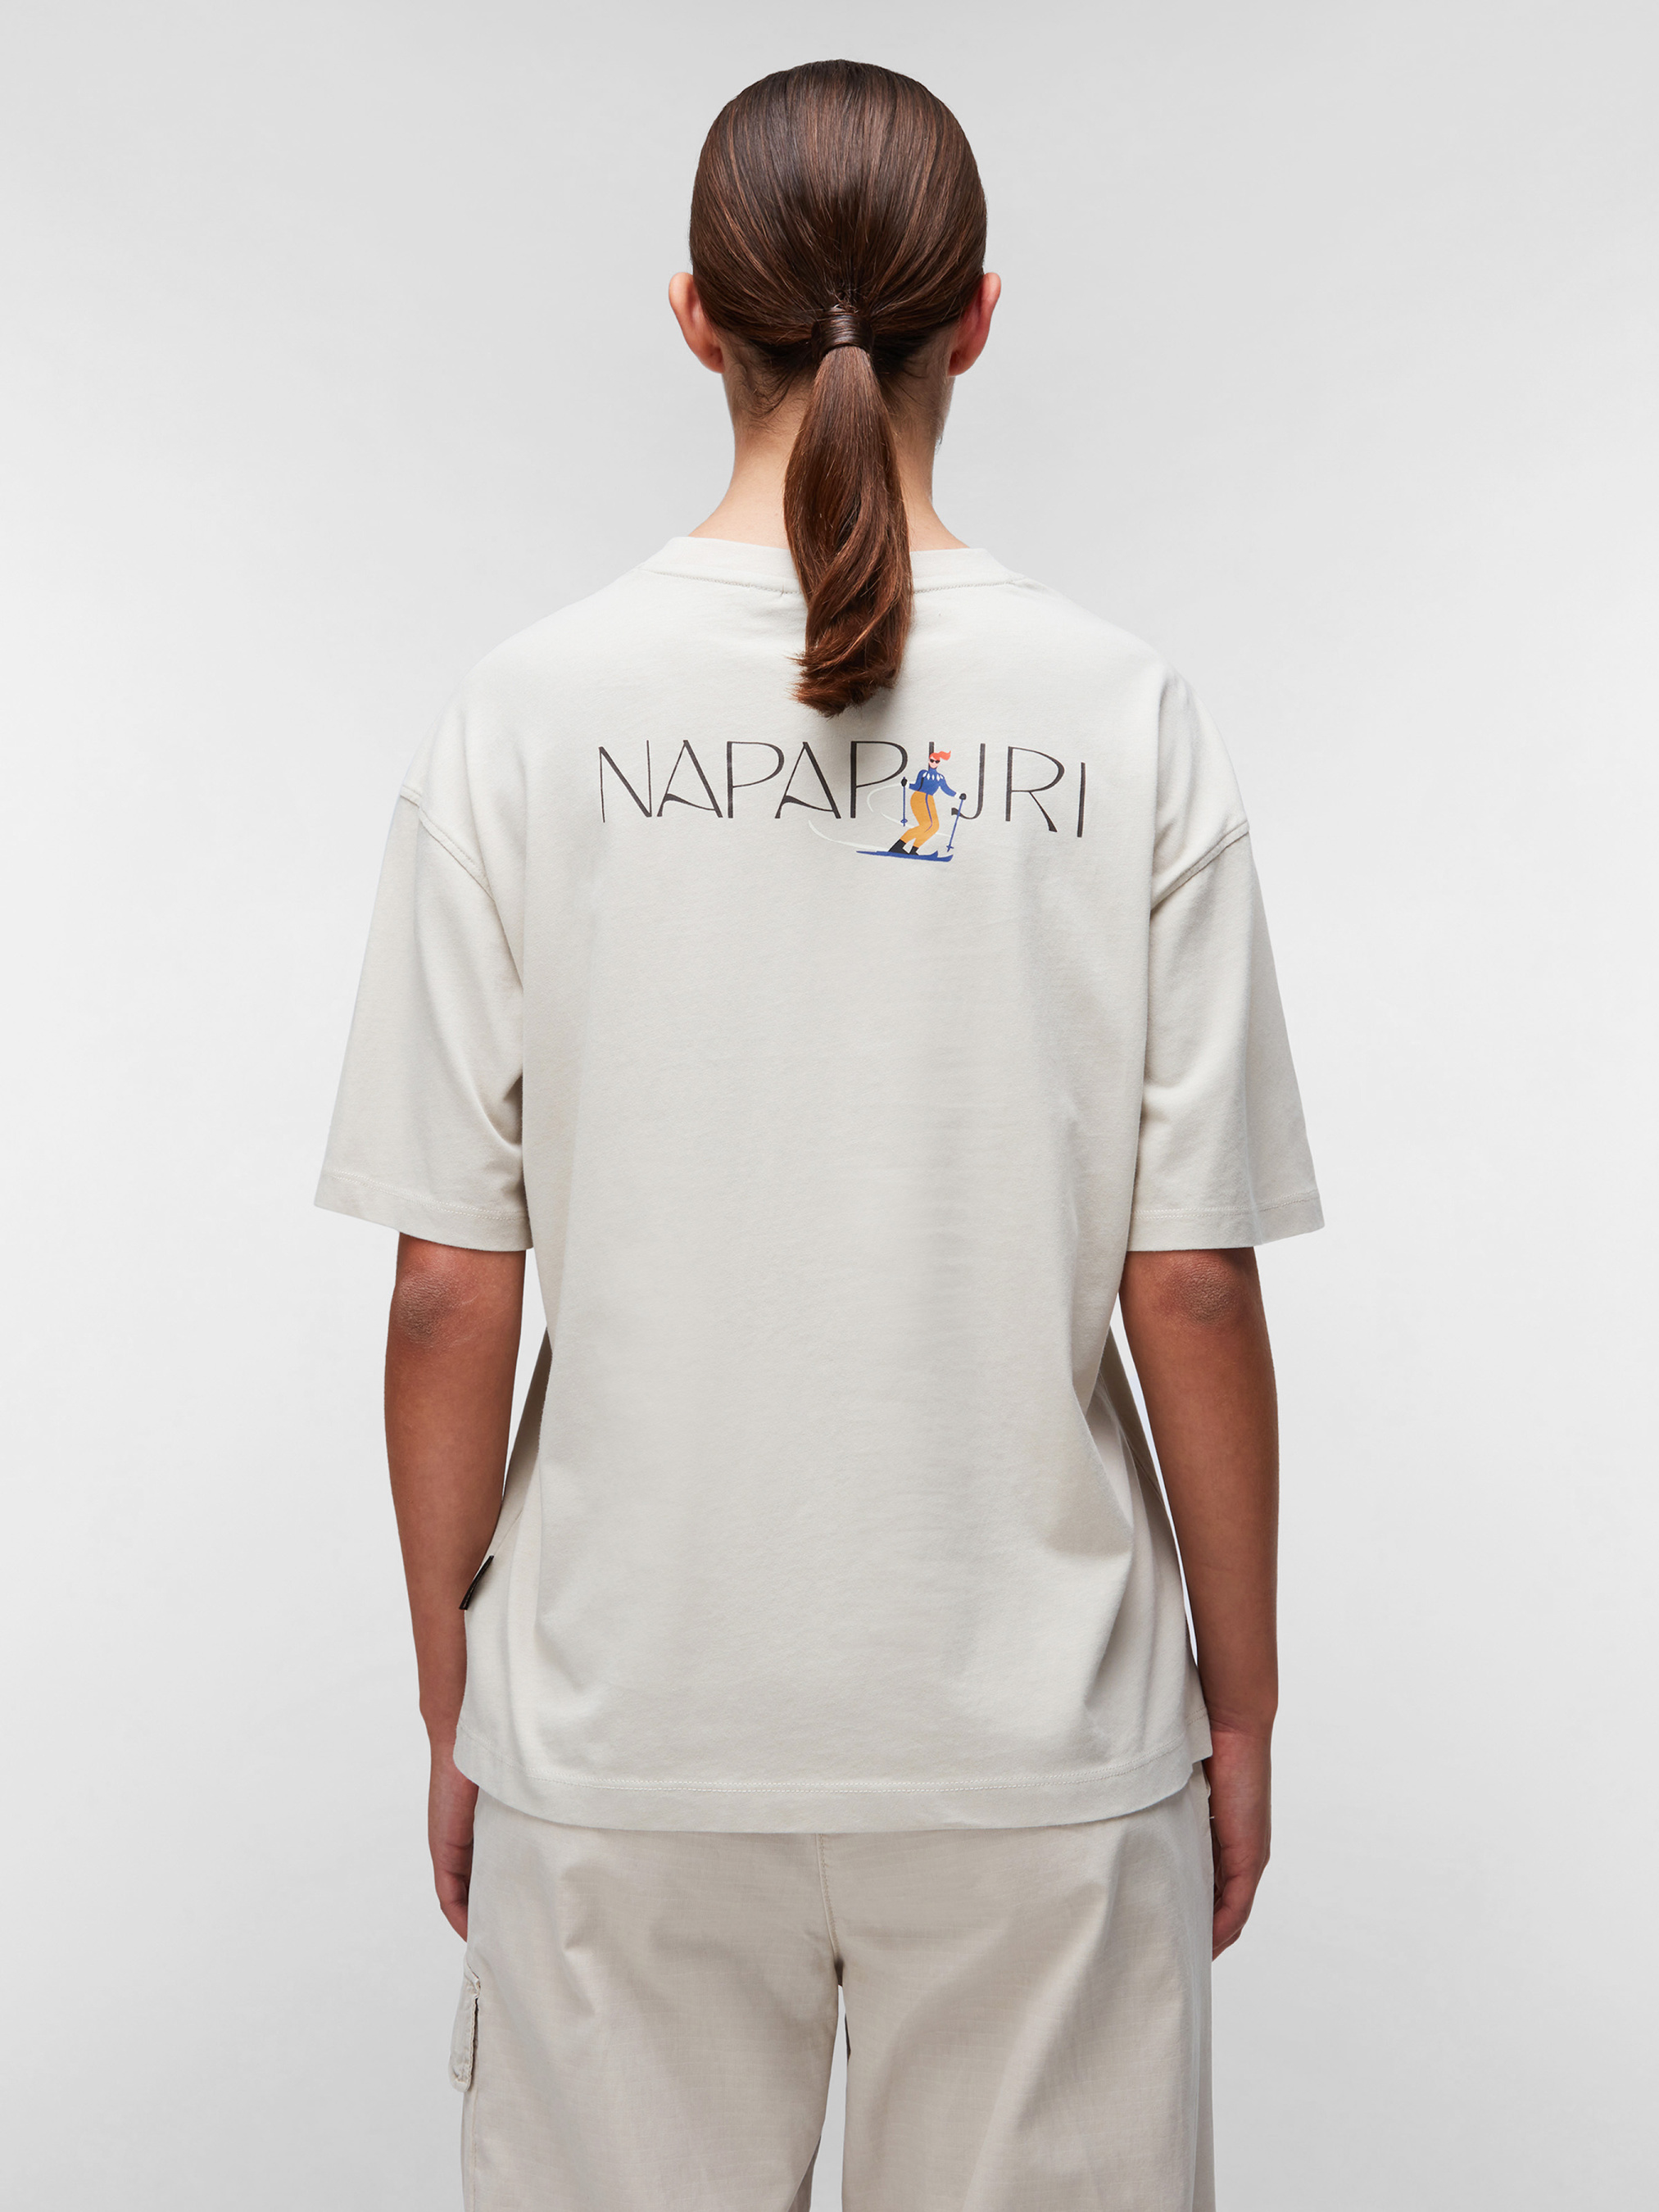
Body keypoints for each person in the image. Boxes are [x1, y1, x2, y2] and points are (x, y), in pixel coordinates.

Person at [318, 58, 1321, 2212]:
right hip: (1040, 1750)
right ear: (978, 319)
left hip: (621, 1732)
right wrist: (1239, 1705)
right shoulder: (1123, 717)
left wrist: (461, 1695)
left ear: (696, 317)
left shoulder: (523, 715)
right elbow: (1188, 1279)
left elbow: (444, 1292)